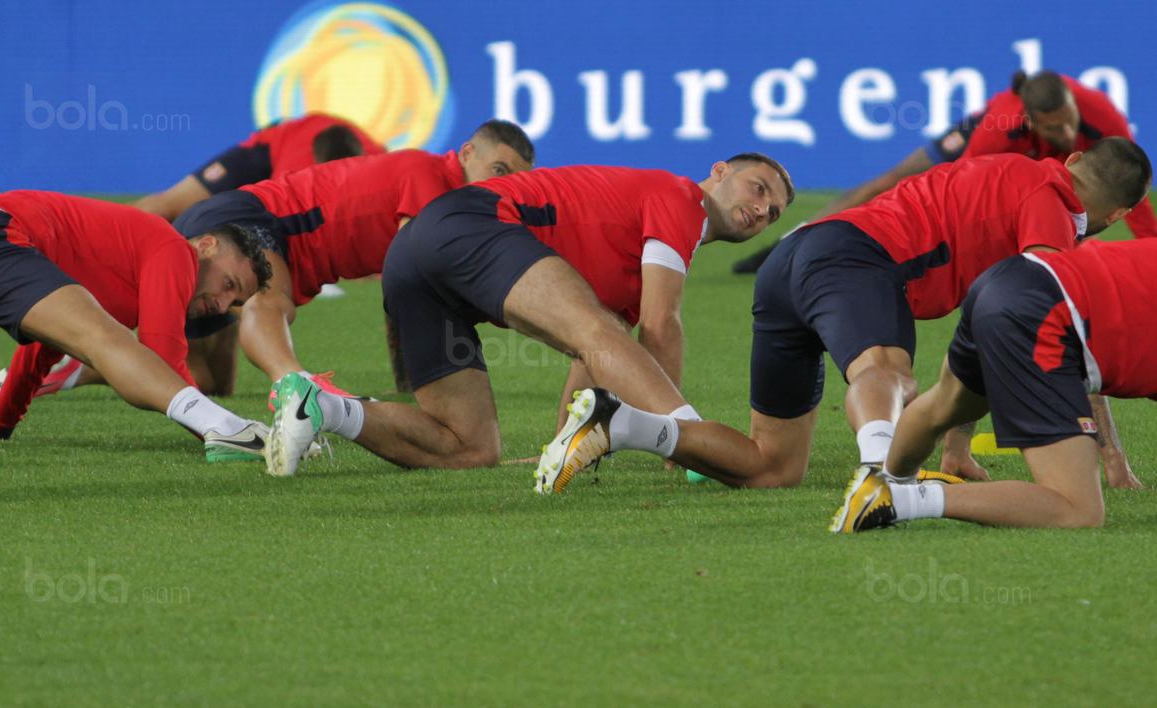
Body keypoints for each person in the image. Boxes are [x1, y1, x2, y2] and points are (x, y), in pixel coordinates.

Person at [523, 137, 1151, 495]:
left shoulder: (1011, 168)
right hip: (856, 258)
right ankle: (882, 476)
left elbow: (987, 336)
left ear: (1074, 158)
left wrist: (956, 448)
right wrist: (1113, 461)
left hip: (789, 265)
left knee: (773, 467)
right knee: (887, 372)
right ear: (1120, 216)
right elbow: (1057, 331)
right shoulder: (1054, 209)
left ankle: (623, 424)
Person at [262, 153, 795, 479]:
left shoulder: (637, 250)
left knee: (467, 446)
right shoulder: (680, 200)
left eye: (773, 213)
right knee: (597, 331)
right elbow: (660, 326)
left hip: (412, 256)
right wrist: (691, 443)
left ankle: (323, 408)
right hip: (470, 222)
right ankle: (693, 438)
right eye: (759, 188)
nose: (762, 210)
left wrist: (565, 441)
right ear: (718, 172)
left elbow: (602, 351)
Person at [53, 120, 535, 400]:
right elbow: (420, 278)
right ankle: (295, 389)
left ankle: (70, 366)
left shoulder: (451, 205)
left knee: (203, 378)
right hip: (252, 220)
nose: (501, 185)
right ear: (466, 152)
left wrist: (408, 388)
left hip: (257, 235)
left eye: (512, 179)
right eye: (497, 170)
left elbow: (405, 292)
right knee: (272, 300)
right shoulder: (427, 177)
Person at [832, 236, 1157, 533]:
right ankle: (893, 499)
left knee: (946, 403)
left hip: (1008, 279)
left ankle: (885, 478)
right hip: (1046, 319)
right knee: (1078, 508)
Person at [0, 190, 274, 461]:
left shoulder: (120, 274)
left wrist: (0, 427)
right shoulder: (176, 250)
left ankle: (228, 430)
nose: (221, 305)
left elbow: (41, 353)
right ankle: (230, 430)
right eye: (228, 284)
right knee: (108, 340)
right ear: (206, 245)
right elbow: (162, 357)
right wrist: (226, 428)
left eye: (235, 302)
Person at [731, 71, 1157, 275]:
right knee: (888, 182)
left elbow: (1126, 190)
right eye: (1054, 128)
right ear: (1031, 120)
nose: (1067, 134)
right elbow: (963, 184)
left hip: (1047, 174)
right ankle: (793, 242)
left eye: (1069, 123)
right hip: (980, 146)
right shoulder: (999, 129)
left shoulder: (1103, 120)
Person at [134, 113, 385, 222]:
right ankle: (113, 231)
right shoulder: (297, 170)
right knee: (169, 207)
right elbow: (277, 216)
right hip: (268, 149)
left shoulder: (380, 169)